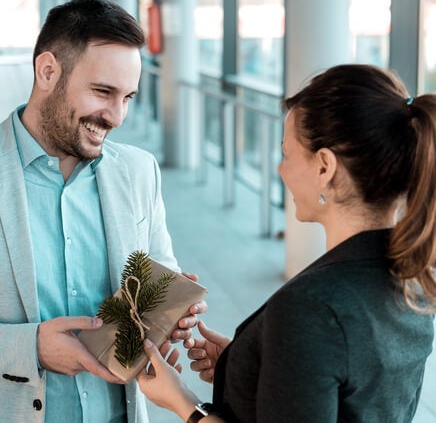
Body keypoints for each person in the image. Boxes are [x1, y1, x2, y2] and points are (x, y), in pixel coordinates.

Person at [0, 0, 204, 423]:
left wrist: (166, 318)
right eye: (103, 92)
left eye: (127, 97)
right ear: (48, 71)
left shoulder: (140, 171)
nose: (117, 116)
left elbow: (158, 271)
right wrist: (29, 346)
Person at [136, 64, 436, 422]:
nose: (281, 170)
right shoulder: (414, 280)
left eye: (287, 155)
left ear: (325, 167)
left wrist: (183, 402)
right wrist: (250, 371)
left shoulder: (311, 308)